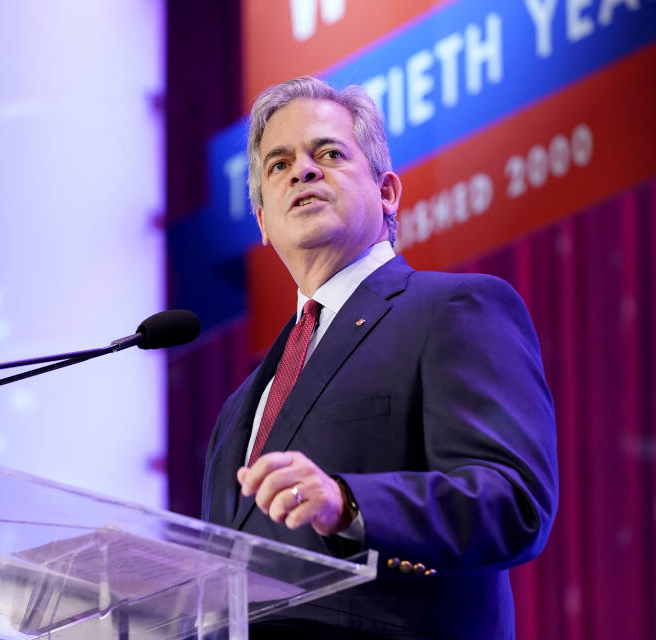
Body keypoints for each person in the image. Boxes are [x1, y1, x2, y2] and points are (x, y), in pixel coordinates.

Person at [201, 76, 559, 639]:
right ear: (264, 223)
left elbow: (513, 501)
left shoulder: (454, 309)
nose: (303, 171)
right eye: (278, 164)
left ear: (388, 192)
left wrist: (349, 503)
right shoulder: (237, 410)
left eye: (329, 152)